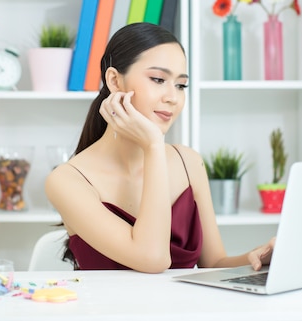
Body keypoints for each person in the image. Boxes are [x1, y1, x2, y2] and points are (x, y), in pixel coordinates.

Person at [45, 22, 275, 273]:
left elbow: (214, 263)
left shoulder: (189, 162)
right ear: (114, 80)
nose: (173, 97)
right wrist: (153, 146)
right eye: (158, 79)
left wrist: (257, 257)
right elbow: (153, 259)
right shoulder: (66, 180)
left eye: (180, 85)